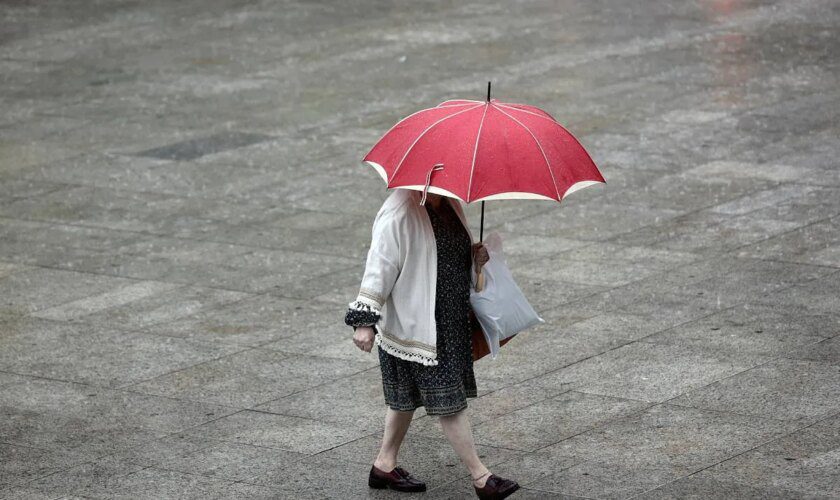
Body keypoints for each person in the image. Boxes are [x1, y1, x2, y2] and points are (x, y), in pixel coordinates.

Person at [344, 188, 520, 499]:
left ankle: (384, 464)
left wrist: (475, 261)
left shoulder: (449, 204)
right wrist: (364, 321)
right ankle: (481, 477)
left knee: (406, 399)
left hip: (449, 323)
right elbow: (379, 265)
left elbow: (449, 258)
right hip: (415, 328)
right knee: (448, 403)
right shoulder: (398, 211)